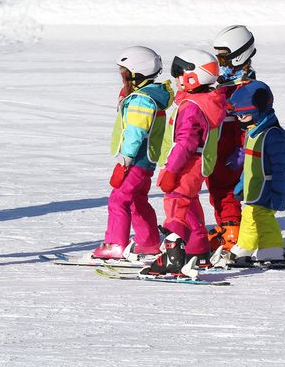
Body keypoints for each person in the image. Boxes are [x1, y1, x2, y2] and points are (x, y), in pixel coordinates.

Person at [144, 49, 226, 275]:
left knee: (176, 206)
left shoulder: (191, 107)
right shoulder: (207, 100)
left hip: (185, 165)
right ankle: (197, 251)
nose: (177, 79)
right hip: (197, 164)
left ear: (193, 76)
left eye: (180, 74)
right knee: (188, 204)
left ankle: (173, 257)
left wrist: (171, 170)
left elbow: (184, 143)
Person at [92, 46, 172, 260]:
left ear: (137, 72)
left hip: (136, 160)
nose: (121, 77)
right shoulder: (145, 96)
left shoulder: (142, 100)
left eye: (124, 73)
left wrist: (125, 159)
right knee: (137, 200)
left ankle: (116, 244)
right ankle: (149, 242)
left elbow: (136, 132)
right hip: (144, 161)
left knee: (118, 200)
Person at [226, 81, 285, 262]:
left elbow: (282, 168)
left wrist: (279, 192)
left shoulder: (273, 135)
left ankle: (268, 250)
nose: (240, 120)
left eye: (244, 116)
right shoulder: (254, 132)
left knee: (261, 217)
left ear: (258, 111)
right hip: (255, 189)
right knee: (251, 216)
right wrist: (241, 186)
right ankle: (250, 249)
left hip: (268, 189)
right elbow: (250, 166)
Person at [205, 25, 257, 251]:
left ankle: (232, 232)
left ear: (240, 56)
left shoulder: (248, 87)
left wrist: (243, 149)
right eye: (218, 58)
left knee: (226, 190)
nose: (221, 64)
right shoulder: (224, 84)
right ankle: (229, 227)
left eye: (225, 58)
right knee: (217, 188)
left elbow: (253, 122)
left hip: (232, 148)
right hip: (217, 145)